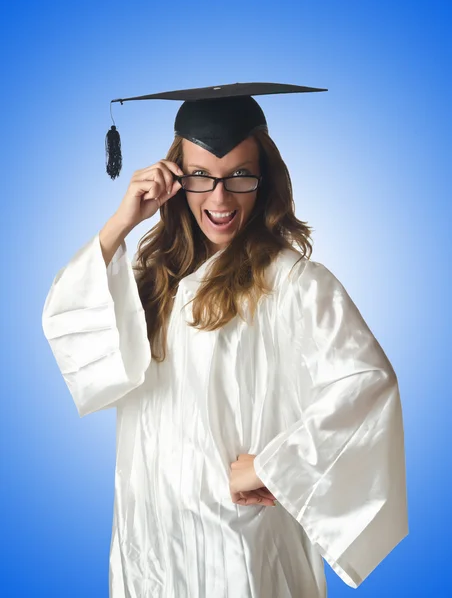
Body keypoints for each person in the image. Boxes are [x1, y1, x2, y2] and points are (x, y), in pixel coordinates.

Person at [42, 82, 408, 598]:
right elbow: (73, 330)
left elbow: (367, 385)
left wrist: (273, 467)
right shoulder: (152, 274)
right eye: (200, 176)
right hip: (150, 534)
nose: (219, 197)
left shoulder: (292, 282)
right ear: (177, 177)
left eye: (239, 175)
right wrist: (122, 223)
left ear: (264, 179)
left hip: (238, 544)